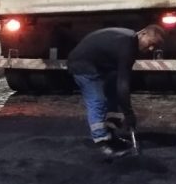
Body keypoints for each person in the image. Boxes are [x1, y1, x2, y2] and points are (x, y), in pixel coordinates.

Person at [67, 25, 165, 157]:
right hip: (83, 64)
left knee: (114, 96)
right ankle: (101, 142)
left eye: (155, 47)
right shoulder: (127, 43)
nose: (151, 49)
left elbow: (122, 81)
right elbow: (123, 83)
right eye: (151, 43)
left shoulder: (131, 45)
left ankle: (110, 134)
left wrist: (126, 109)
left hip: (100, 65)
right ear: (142, 34)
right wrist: (129, 113)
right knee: (98, 100)